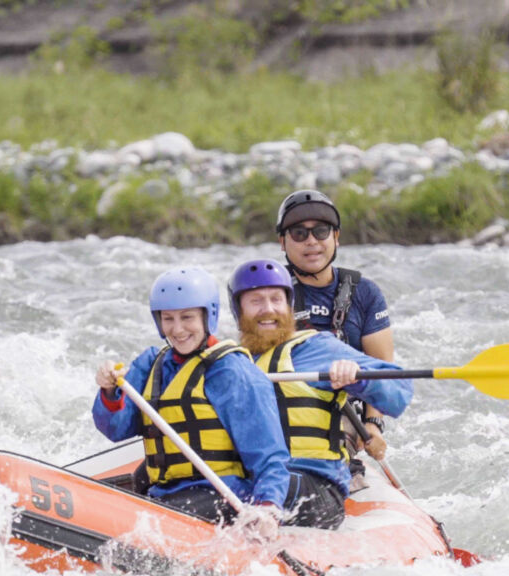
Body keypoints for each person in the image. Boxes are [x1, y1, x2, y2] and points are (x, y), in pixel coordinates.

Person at [92, 266, 289, 539]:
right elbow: (115, 430)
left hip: (220, 495)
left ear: (208, 316)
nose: (178, 329)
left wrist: (268, 508)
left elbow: (268, 454)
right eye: (168, 318)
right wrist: (110, 392)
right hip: (163, 492)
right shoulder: (152, 363)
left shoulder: (233, 372)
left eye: (187, 317)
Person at [228, 258, 412, 529]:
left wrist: (358, 380)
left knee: (237, 489)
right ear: (238, 310)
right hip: (255, 479)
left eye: (276, 300)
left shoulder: (320, 348)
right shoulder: (229, 362)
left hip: (315, 487)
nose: (268, 310)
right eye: (256, 301)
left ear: (288, 306)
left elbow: (399, 393)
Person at [275, 189, 396, 464]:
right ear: (283, 242)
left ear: (336, 238)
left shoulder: (365, 293)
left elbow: (381, 369)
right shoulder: (268, 292)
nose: (311, 242)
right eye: (298, 234)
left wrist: (374, 425)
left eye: (321, 231)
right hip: (281, 407)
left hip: (342, 413)